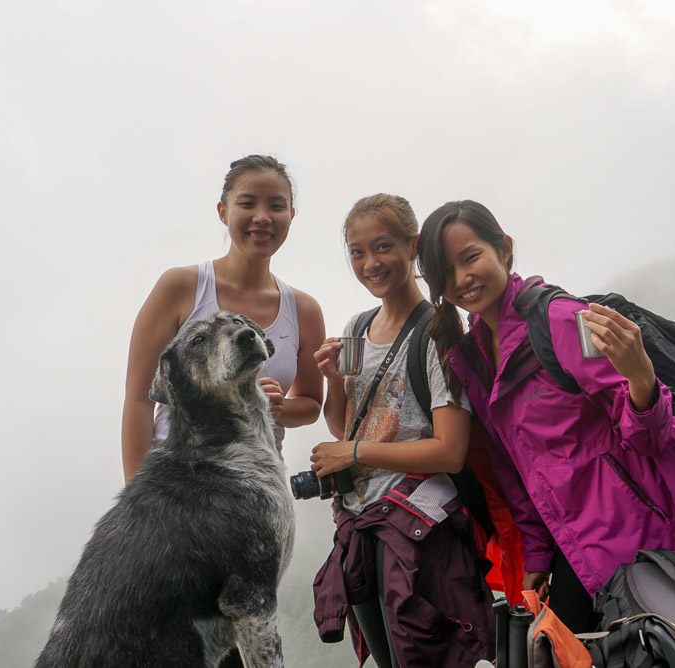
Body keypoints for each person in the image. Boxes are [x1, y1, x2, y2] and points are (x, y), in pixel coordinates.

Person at [415, 200, 675, 633]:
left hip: (626, 532)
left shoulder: (560, 321)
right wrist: (538, 555)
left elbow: (649, 440)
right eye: (446, 272)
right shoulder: (476, 357)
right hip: (571, 542)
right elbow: (516, 470)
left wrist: (641, 381)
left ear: (504, 250)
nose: (462, 279)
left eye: (471, 258)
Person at [121, 156, 325, 667]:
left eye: (276, 206)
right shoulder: (183, 288)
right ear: (222, 211)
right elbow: (139, 399)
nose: (262, 217)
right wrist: (138, 506)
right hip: (181, 494)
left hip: (255, 500)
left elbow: (310, 405)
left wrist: (280, 407)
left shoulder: (303, 310)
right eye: (247, 203)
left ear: (292, 216)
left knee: (240, 635)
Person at [310, 194, 495, 668]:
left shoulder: (439, 329)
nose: (370, 263)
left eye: (383, 246)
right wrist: (334, 379)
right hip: (358, 525)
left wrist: (352, 455)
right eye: (356, 251)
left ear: (412, 247)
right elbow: (347, 425)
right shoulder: (357, 327)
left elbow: (450, 451)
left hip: (419, 532)